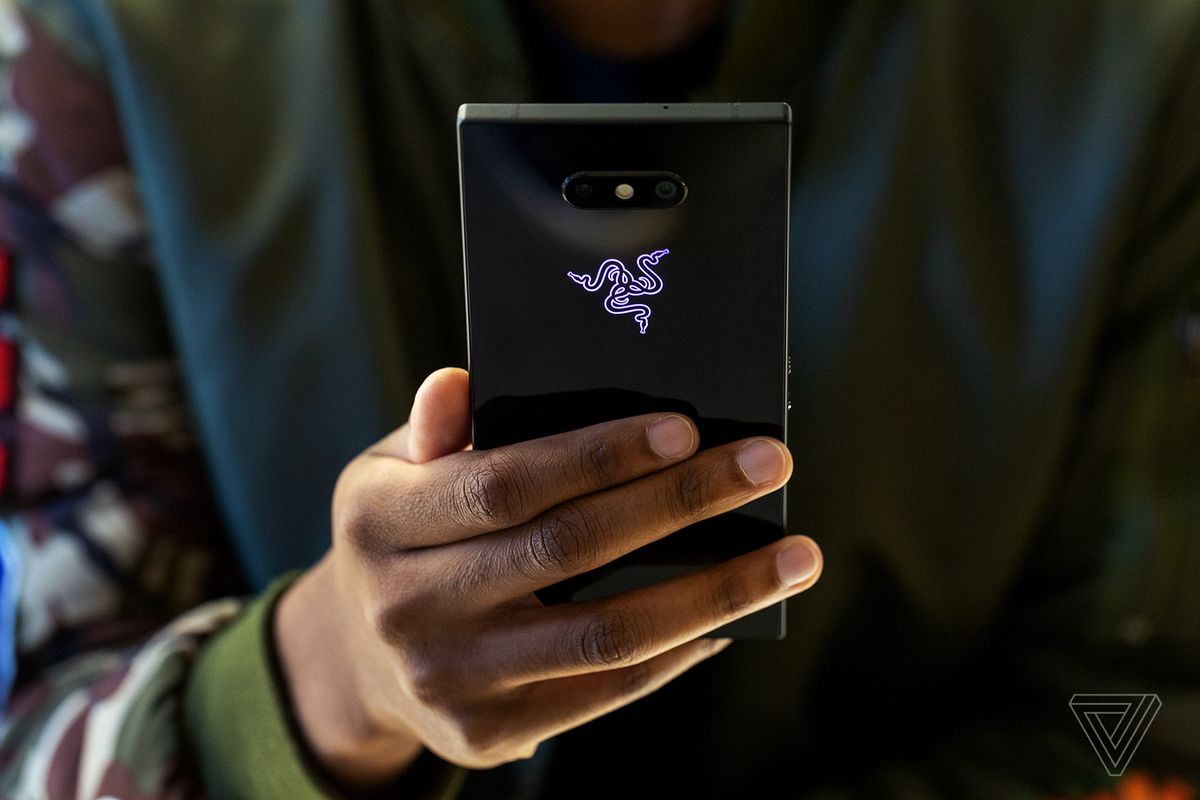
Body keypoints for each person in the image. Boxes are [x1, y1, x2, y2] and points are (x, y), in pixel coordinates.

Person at [0, 0, 1197, 798]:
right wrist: (325, 676)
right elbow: (38, 733)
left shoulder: (1133, 62)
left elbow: (1142, 705)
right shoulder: (120, 41)